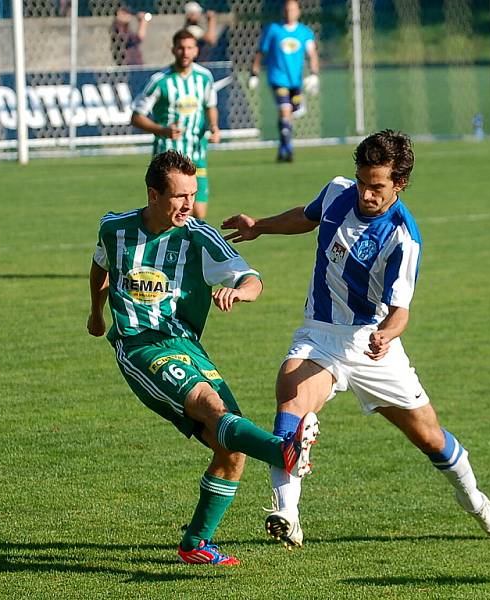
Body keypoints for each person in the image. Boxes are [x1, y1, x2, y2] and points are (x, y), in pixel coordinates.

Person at [221, 130, 490, 549]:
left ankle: (476, 501)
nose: (367, 194)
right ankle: (287, 512)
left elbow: (400, 313)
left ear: (400, 184)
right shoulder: (339, 191)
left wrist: (385, 336)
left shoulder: (403, 238)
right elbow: (307, 216)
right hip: (320, 333)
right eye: (363, 182)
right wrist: (260, 227)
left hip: (370, 344)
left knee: (429, 437)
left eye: (377, 186)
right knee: (290, 393)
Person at [87, 150, 320, 565]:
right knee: (212, 408)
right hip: (139, 346)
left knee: (231, 449)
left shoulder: (199, 236)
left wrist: (239, 292)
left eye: (192, 194)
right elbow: (101, 264)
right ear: (153, 194)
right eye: (178, 196)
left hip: (186, 346)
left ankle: (194, 544)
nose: (188, 205)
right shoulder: (115, 228)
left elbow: (252, 279)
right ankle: (285, 451)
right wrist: (96, 312)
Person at [131, 29, 219, 221]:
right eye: (181, 48)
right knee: (169, 214)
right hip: (167, 158)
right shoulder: (160, 81)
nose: (185, 53)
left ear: (196, 51)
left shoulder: (204, 78)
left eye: (189, 48)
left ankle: (185, 250)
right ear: (173, 50)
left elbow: (210, 106)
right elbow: (136, 117)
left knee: (198, 214)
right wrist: (163, 130)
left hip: (197, 155)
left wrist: (214, 127)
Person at [248, 0, 320, 163]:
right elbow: (261, 52)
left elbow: (312, 54)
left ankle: (283, 147)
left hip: (296, 82)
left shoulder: (304, 32)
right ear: (283, 11)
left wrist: (314, 74)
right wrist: (254, 73)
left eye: (292, 10)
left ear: (298, 12)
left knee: (290, 115)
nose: (289, 13)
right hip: (277, 78)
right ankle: (288, 149)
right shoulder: (273, 30)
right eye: (287, 9)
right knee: (285, 111)